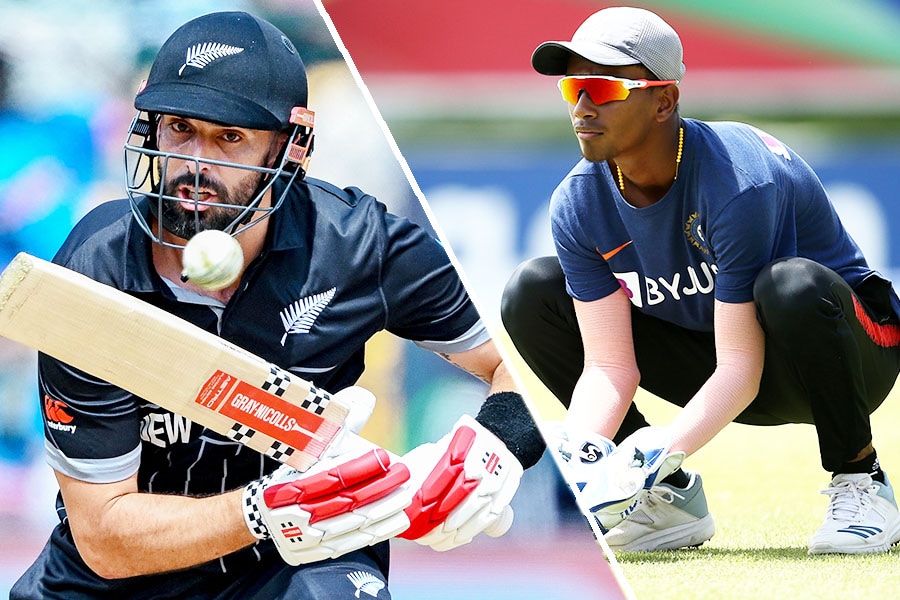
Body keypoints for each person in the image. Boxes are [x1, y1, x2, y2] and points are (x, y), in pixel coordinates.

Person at [11, 11, 544, 599]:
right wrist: (263, 511)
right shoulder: (93, 273)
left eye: (230, 138)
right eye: (179, 128)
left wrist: (499, 443)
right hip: (116, 576)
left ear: (293, 148)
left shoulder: (360, 246)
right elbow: (106, 536)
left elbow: (525, 363)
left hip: (301, 562)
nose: (193, 165)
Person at [501, 6, 900, 555]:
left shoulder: (737, 182)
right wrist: (586, 447)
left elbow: (741, 366)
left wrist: (658, 448)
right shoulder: (576, 201)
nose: (584, 106)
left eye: (603, 87)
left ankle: (862, 480)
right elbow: (609, 366)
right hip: (730, 361)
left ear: (664, 100)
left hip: (849, 356)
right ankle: (667, 501)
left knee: (791, 286)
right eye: (573, 87)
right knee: (531, 293)